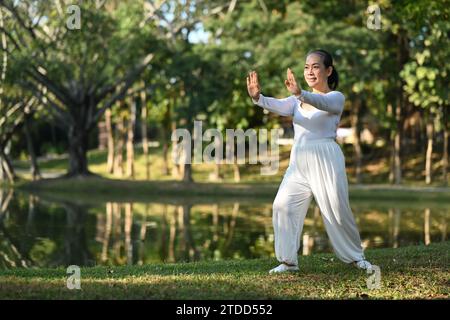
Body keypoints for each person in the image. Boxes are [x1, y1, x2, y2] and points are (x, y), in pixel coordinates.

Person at [246, 49, 373, 274]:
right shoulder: (296, 101)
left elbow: (318, 102)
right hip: (299, 160)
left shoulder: (335, 98)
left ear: (328, 70)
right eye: (306, 67)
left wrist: (300, 93)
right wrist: (258, 97)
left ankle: (356, 258)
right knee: (283, 205)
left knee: (336, 209)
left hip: (326, 158)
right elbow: (275, 104)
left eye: (315, 66)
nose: (310, 71)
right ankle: (288, 261)